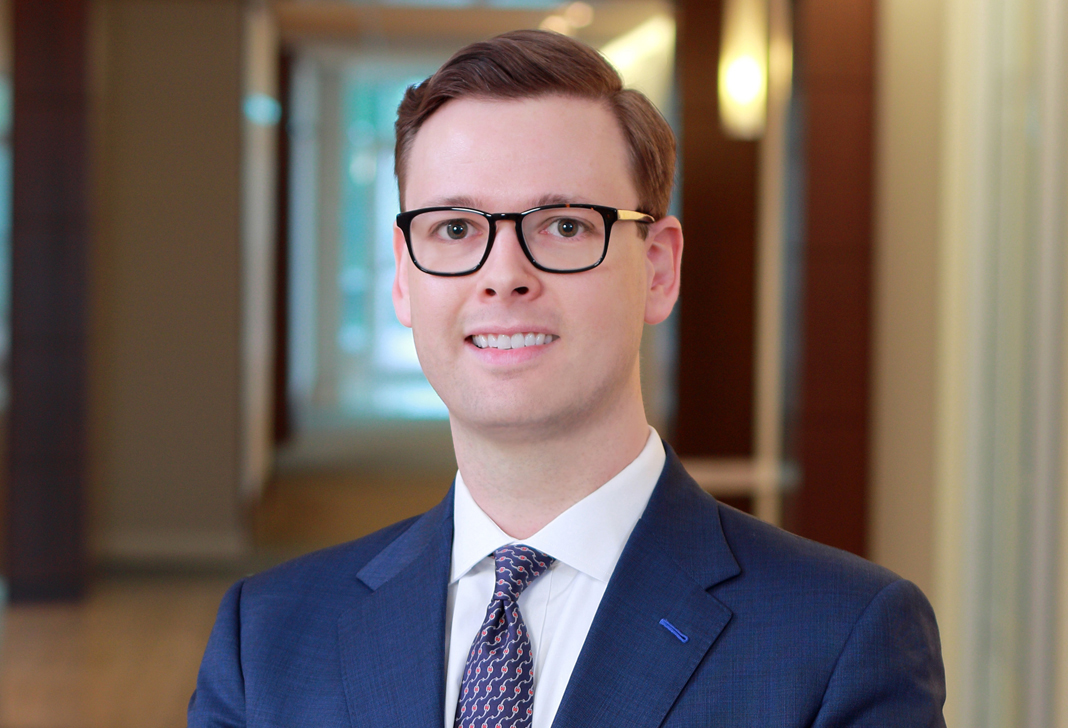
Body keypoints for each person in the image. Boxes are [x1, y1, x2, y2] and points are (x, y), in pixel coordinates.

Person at [188, 29, 945, 728]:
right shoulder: (267, 635)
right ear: (402, 277)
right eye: (455, 229)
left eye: (564, 226)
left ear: (658, 269)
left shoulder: (840, 639)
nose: (503, 275)